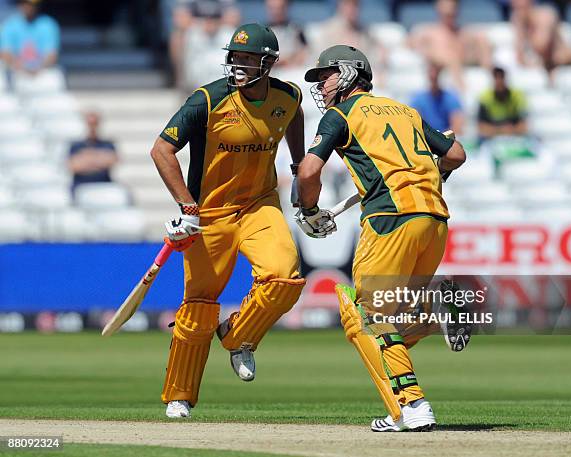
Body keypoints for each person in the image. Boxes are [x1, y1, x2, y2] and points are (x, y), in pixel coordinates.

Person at [297, 45, 467, 432]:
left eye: (326, 77)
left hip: (390, 220)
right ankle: (433, 312)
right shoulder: (405, 111)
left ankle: (413, 405)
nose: (322, 87)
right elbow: (455, 153)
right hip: (434, 218)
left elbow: (308, 172)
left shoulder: (341, 115)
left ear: (348, 73)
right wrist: (430, 173)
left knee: (372, 316)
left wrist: (308, 210)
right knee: (395, 320)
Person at [150, 23, 306, 419]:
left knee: (285, 276)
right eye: (235, 57)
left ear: (267, 63)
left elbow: (295, 118)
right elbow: (161, 150)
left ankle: (239, 337)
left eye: (248, 58)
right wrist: (187, 207)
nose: (238, 65)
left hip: (259, 204)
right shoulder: (207, 99)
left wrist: (299, 165)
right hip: (209, 215)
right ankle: (179, 396)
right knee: (200, 305)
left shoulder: (287, 96)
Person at [410, 0, 491, 90]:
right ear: (439, 9)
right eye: (446, 14)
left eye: (452, 13)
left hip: (463, 62)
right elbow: (410, 43)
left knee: (481, 39)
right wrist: (427, 52)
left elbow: (478, 42)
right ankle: (462, 91)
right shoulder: (430, 32)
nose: (449, 15)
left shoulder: (462, 32)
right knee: (451, 58)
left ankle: (490, 81)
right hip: (440, 67)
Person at [510, 0, 571, 73]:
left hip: (569, 64)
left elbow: (542, 46)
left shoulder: (546, 15)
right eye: (515, 7)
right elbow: (519, 57)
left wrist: (522, 29)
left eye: (521, 7)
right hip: (547, 66)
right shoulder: (518, 19)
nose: (518, 10)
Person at [0, 0, 60, 75]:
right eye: (24, 3)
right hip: (16, 70)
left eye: (31, 4)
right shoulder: (10, 24)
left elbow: (52, 55)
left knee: (53, 78)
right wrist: (21, 66)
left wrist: (38, 67)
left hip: (41, 70)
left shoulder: (48, 24)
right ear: (19, 5)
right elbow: (5, 53)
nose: (28, 7)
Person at [182, 0, 229, 91]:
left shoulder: (229, 35)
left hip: (224, 88)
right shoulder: (192, 35)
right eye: (206, 19)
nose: (210, 22)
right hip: (198, 88)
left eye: (213, 18)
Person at [68, 111, 118, 192]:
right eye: (90, 124)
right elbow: (73, 166)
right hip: (80, 185)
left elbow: (112, 161)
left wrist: (86, 158)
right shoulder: (76, 145)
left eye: (94, 124)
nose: (92, 127)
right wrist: (100, 158)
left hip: (104, 184)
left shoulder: (108, 144)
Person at [410, 61, 464, 135]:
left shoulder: (451, 98)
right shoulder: (418, 99)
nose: (434, 79)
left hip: (446, 140)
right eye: (432, 77)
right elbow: (414, 124)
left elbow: (457, 127)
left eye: (436, 76)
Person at [477, 66, 527, 142]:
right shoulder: (485, 98)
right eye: (496, 77)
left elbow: (523, 126)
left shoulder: (517, 96)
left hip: (514, 139)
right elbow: (481, 128)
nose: (499, 81)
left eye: (501, 77)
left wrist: (510, 130)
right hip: (491, 140)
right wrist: (501, 130)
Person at [265, 0, 308, 68]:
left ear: (287, 7)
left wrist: (293, 61)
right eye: (272, 8)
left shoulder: (296, 28)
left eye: (280, 8)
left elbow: (305, 51)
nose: (276, 12)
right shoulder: (263, 32)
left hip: (292, 70)